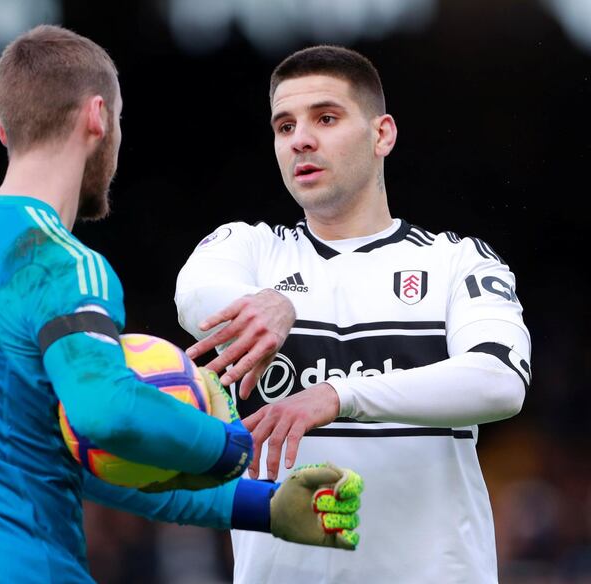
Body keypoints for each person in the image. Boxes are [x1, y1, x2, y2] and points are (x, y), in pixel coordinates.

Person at [0, 26, 364, 584]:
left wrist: (260, 507)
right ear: (98, 116)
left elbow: (65, 451)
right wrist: (232, 444)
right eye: (120, 121)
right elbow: (109, 413)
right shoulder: (54, 261)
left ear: (6, 129)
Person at [176, 45, 531, 583]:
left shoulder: (457, 260)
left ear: (381, 134)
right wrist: (267, 304)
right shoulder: (248, 250)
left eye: (326, 117)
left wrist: (340, 396)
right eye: (284, 125)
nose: (301, 139)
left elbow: (500, 382)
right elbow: (195, 296)